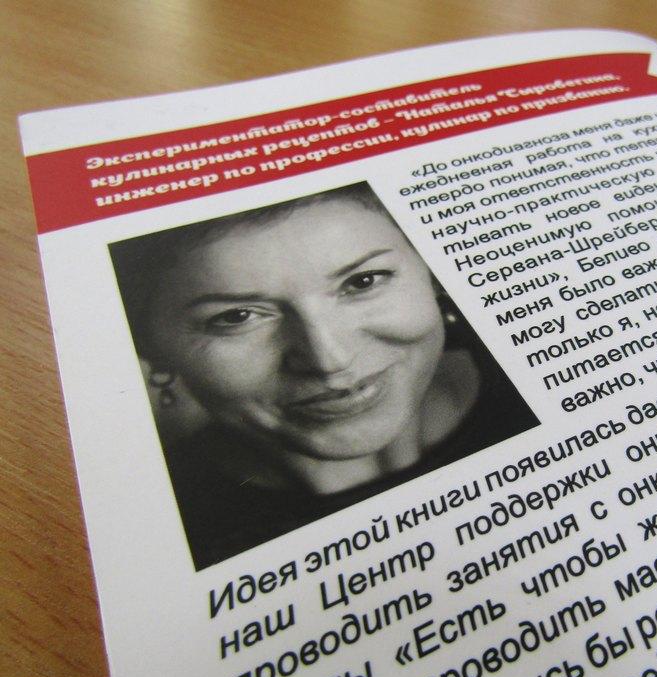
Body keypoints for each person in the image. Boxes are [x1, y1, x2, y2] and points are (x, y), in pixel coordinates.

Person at [110, 183, 538, 569]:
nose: (328, 360)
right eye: (236, 317)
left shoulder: (531, 381)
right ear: (149, 348)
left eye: (363, 281)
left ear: (432, 275)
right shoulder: (166, 533)